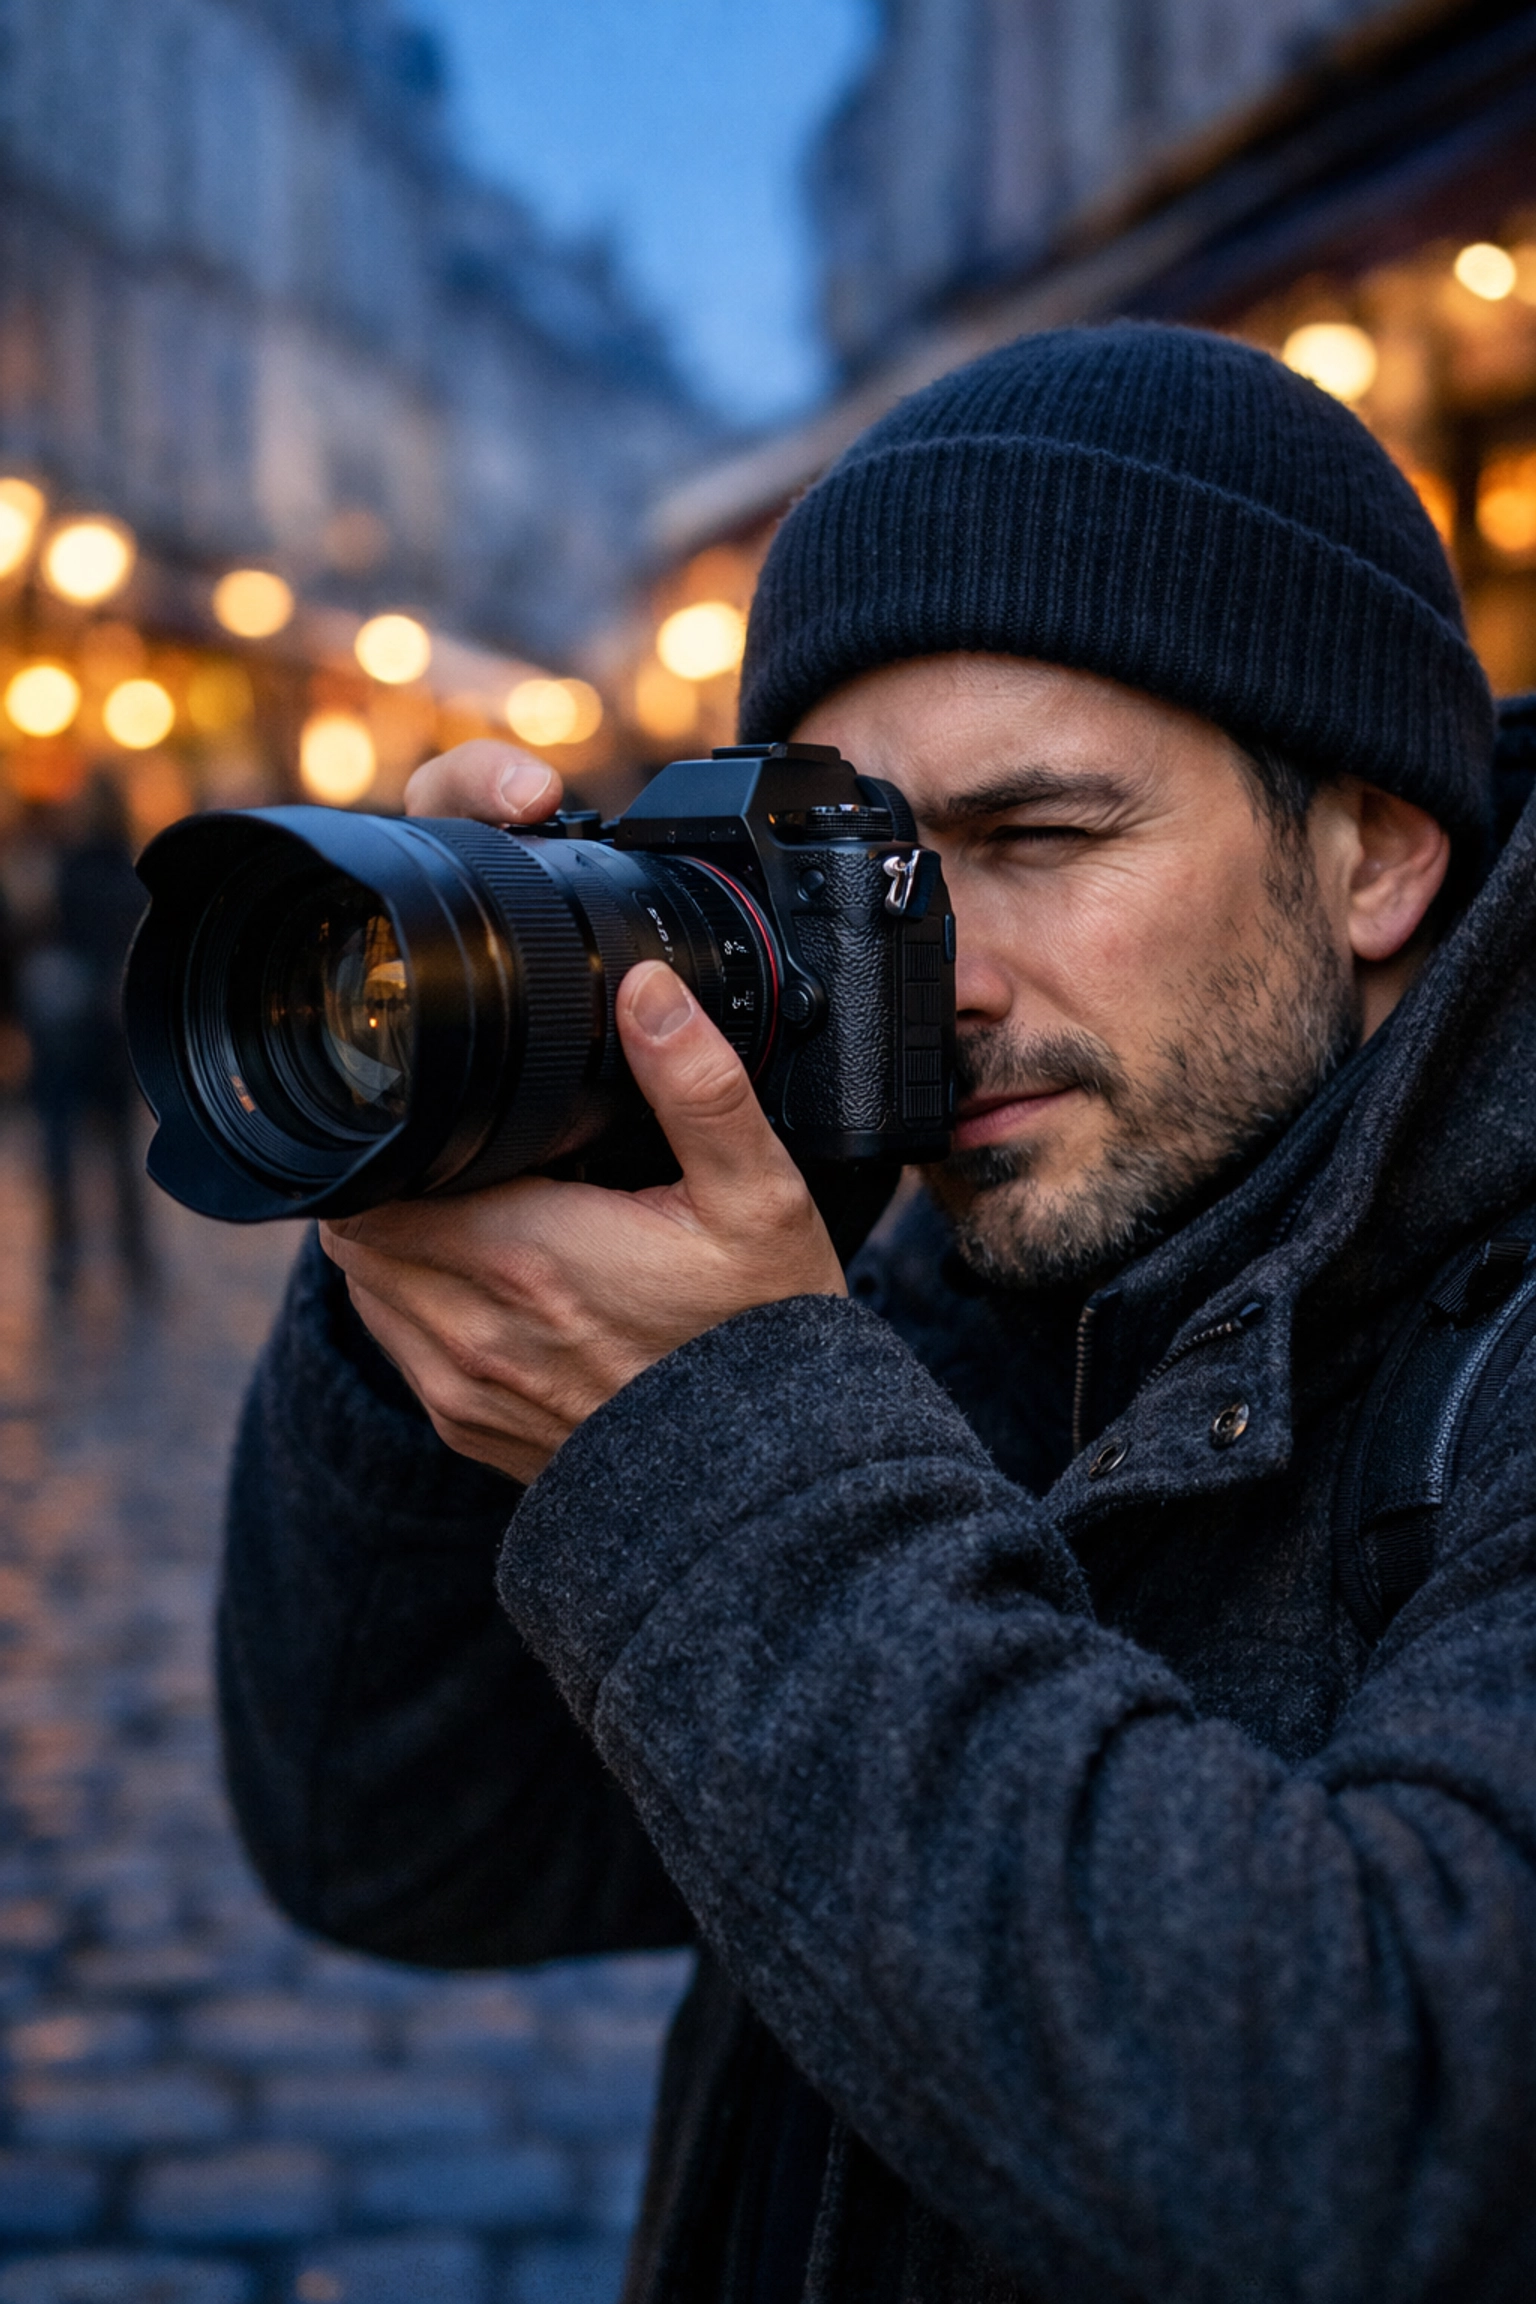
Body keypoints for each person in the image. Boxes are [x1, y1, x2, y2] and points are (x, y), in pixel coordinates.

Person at [219, 326, 1536, 2302]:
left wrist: (722, 1433)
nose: (952, 982)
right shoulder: (948, 1291)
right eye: (885, 882)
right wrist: (484, 1216)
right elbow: (403, 1840)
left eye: (1040, 841)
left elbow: (1389, 2146)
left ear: (1372, 851)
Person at [14, 774, 150, 1290]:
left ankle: (66, 1256)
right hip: (112, 1032)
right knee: (119, 1151)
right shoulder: (133, 874)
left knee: (62, 1151)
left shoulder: (62, 871)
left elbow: (34, 936)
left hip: (66, 1035)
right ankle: (135, 1255)